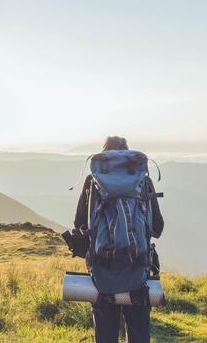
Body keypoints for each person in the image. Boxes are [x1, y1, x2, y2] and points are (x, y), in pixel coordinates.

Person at [74, 136, 164, 343]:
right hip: (137, 270)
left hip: (102, 271)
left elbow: (80, 224)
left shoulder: (93, 182)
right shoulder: (142, 181)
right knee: (138, 332)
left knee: (105, 334)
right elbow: (157, 227)